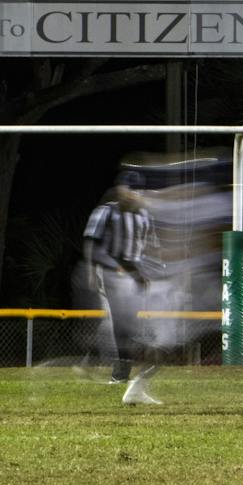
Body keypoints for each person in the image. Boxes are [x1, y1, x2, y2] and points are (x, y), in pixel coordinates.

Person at [84, 170, 162, 405]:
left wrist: (153, 270)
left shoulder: (145, 216)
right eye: (129, 190)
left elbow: (151, 246)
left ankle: (115, 368)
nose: (133, 195)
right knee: (121, 322)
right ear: (120, 190)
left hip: (136, 275)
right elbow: (92, 242)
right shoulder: (107, 211)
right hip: (113, 273)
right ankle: (119, 373)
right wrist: (93, 270)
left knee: (130, 323)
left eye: (137, 191)